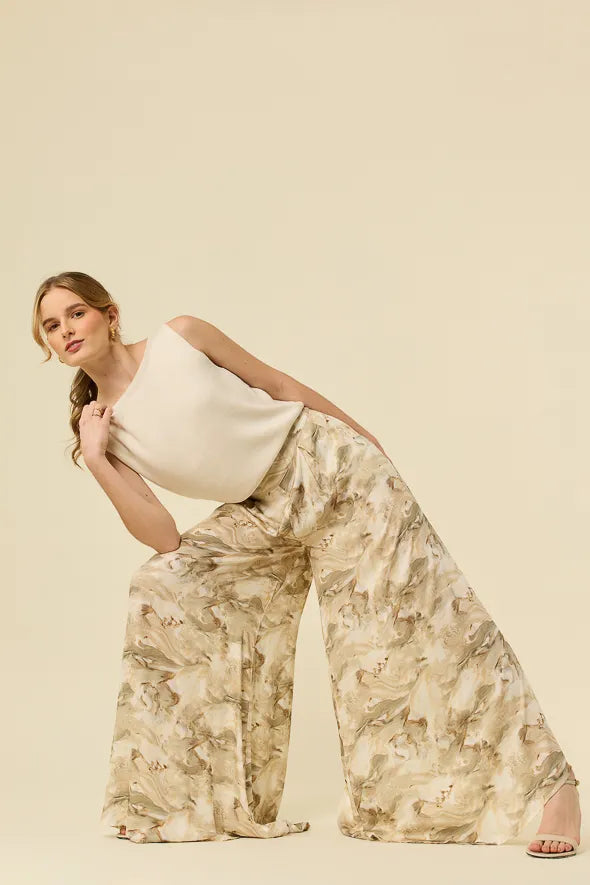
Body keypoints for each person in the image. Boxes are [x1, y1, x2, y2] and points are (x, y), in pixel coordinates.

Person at [33, 271, 581, 857]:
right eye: (51, 326)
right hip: (263, 512)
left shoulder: (181, 337)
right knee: (162, 582)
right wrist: (97, 456)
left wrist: (367, 443)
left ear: (110, 315)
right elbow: (164, 538)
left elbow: (277, 384)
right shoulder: (101, 428)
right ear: (48, 346)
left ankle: (553, 789)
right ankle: (187, 803)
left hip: (332, 469)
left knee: (418, 630)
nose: (67, 330)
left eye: (76, 313)